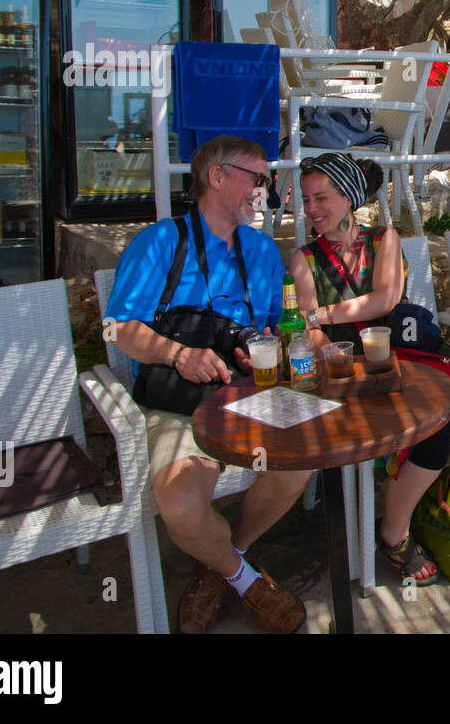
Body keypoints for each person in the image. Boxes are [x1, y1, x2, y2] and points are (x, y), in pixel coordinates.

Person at [289, 152, 450, 584]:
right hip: (359, 372)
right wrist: (328, 348)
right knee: (437, 432)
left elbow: (383, 301)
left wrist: (321, 314)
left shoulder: (385, 240)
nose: (311, 210)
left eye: (321, 197)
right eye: (305, 200)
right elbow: (309, 334)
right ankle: (393, 534)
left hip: (414, 356)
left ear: (349, 198)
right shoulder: (303, 259)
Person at [105, 136, 308, 634]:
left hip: (247, 396)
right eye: (258, 179)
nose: (266, 191)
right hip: (180, 405)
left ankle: (219, 564)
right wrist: (177, 353)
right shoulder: (160, 242)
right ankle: (245, 580)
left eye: (269, 181)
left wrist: (261, 346)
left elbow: (270, 330)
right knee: (180, 505)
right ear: (216, 177)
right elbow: (116, 329)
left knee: (297, 468)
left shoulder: (260, 251)